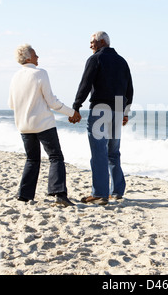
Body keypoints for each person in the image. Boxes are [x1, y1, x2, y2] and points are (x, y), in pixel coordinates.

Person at [69, 31, 133, 205]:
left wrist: (76, 106)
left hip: (100, 109)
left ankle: (100, 194)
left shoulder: (95, 59)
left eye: (92, 42)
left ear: (102, 42)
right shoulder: (122, 61)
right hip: (118, 109)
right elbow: (129, 90)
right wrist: (125, 112)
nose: (90, 45)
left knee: (99, 152)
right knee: (113, 152)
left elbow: (85, 84)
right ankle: (117, 191)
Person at [8, 44, 75, 207]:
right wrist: (72, 113)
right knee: (56, 157)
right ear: (29, 57)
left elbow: (11, 104)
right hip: (43, 123)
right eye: (35, 54)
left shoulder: (15, 76)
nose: (38, 57)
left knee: (32, 159)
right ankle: (59, 193)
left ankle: (24, 195)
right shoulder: (40, 73)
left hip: (24, 125)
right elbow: (52, 101)